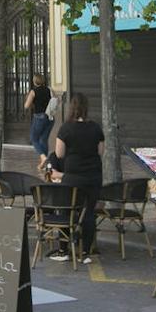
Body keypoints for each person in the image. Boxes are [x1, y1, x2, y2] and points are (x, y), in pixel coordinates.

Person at [50, 92, 104, 264]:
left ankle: (63, 250)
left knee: (67, 211)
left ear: (71, 108)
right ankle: (86, 253)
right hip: (93, 177)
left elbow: (59, 154)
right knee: (88, 213)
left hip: (72, 178)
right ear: (86, 108)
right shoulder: (96, 128)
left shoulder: (65, 128)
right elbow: (101, 152)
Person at [25, 73, 54, 173]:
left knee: (34, 139)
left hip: (39, 117)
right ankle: (43, 164)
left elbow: (26, 105)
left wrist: (32, 102)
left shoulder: (33, 91)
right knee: (43, 140)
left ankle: (43, 156)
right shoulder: (49, 89)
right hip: (50, 117)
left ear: (34, 81)